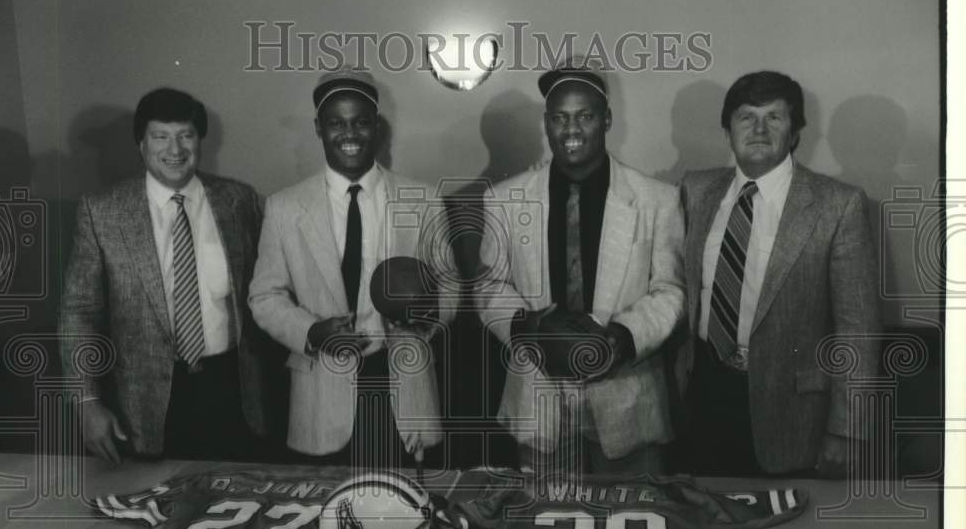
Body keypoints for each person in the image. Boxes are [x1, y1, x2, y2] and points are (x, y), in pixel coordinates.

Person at [476, 58, 685, 475]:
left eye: (585, 116)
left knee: (632, 522)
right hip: (538, 401)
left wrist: (624, 338)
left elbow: (670, 290)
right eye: (560, 117)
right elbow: (489, 286)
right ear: (547, 123)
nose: (571, 129)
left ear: (607, 120)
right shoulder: (504, 200)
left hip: (627, 402)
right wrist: (524, 327)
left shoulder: (656, 199)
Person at [248, 67, 458, 469]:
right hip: (322, 393)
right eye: (336, 123)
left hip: (403, 383)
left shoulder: (423, 199)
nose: (349, 134)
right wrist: (311, 331)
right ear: (318, 128)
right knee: (327, 517)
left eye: (361, 122)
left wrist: (429, 312)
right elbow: (265, 295)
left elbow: (450, 285)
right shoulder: (284, 207)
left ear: (376, 127)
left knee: (404, 515)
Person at [676, 70, 882, 477]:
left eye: (774, 117)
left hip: (791, 413)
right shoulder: (695, 191)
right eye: (746, 116)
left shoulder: (838, 205)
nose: (758, 128)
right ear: (727, 130)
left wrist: (847, 429)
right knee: (704, 525)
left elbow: (858, 329)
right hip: (703, 395)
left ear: (796, 132)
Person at [59, 87, 276, 464]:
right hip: (144, 402)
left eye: (186, 135)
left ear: (200, 141)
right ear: (141, 144)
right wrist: (86, 401)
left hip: (232, 391)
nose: (174, 150)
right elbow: (79, 313)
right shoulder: (103, 212)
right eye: (161, 136)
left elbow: (268, 291)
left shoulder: (239, 201)